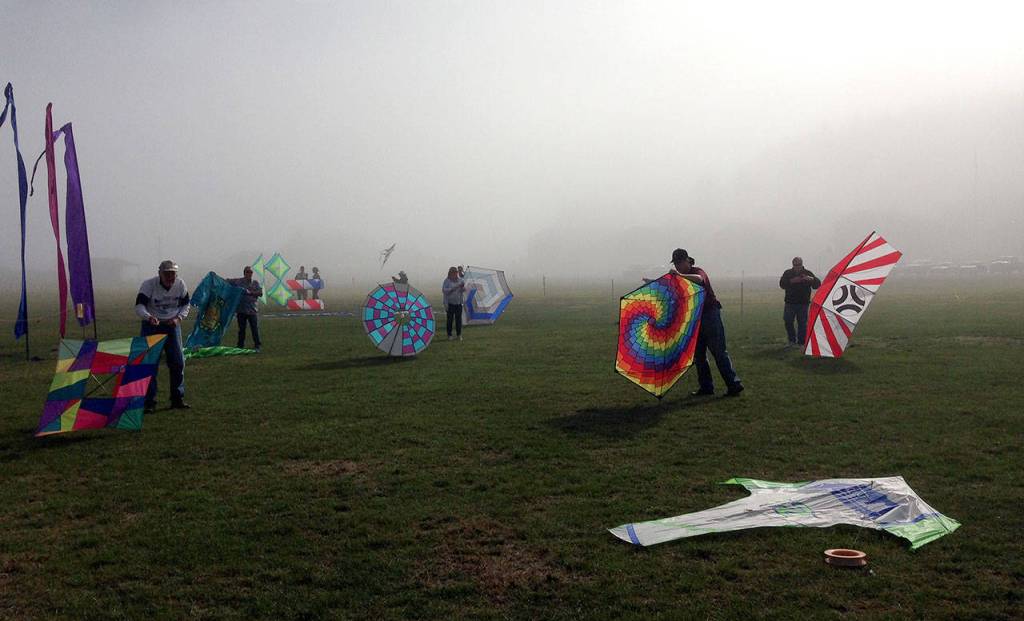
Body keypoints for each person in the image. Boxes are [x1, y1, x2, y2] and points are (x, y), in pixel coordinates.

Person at [668, 249, 744, 397]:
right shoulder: (680, 276)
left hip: (710, 315)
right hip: (695, 318)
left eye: (679, 263)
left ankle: (734, 384)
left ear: (687, 261)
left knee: (719, 352)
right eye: (675, 264)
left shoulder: (697, 271)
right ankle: (706, 387)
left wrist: (679, 275)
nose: (677, 267)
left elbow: (699, 279)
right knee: (699, 355)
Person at [135, 260, 191, 412]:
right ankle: (149, 402)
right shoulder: (148, 285)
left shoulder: (180, 285)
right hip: (152, 326)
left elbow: (186, 304)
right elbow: (139, 306)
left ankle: (177, 398)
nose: (170, 277)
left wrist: (179, 318)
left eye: (173, 273)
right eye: (167, 274)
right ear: (160, 273)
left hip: (172, 325)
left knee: (178, 362)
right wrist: (149, 317)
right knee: (149, 364)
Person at [779, 257, 821, 347]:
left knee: (802, 323)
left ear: (802, 264)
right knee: (788, 321)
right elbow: (782, 284)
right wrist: (791, 281)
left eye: (798, 265)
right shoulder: (788, 273)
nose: (797, 267)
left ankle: (801, 342)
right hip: (790, 302)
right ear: (792, 264)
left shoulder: (808, 273)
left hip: (803, 303)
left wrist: (812, 279)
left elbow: (817, 285)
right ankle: (791, 340)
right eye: (795, 265)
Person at [228, 266, 263, 351]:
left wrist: (250, 293)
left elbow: (260, 293)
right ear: (244, 273)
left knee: (254, 328)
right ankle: (240, 345)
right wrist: (215, 277)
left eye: (251, 272)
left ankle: (257, 345)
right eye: (248, 272)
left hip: (252, 310)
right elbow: (227, 281)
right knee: (241, 329)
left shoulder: (255, 283)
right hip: (241, 310)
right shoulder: (238, 281)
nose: (249, 273)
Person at [442, 266, 466, 341]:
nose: (455, 274)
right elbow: (444, 291)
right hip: (450, 303)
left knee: (458, 320)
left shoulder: (460, 280)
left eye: (456, 273)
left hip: (458, 303)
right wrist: (454, 288)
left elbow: (463, 290)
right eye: (453, 273)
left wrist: (462, 288)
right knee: (450, 320)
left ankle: (459, 335)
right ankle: (449, 335)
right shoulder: (447, 281)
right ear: (450, 273)